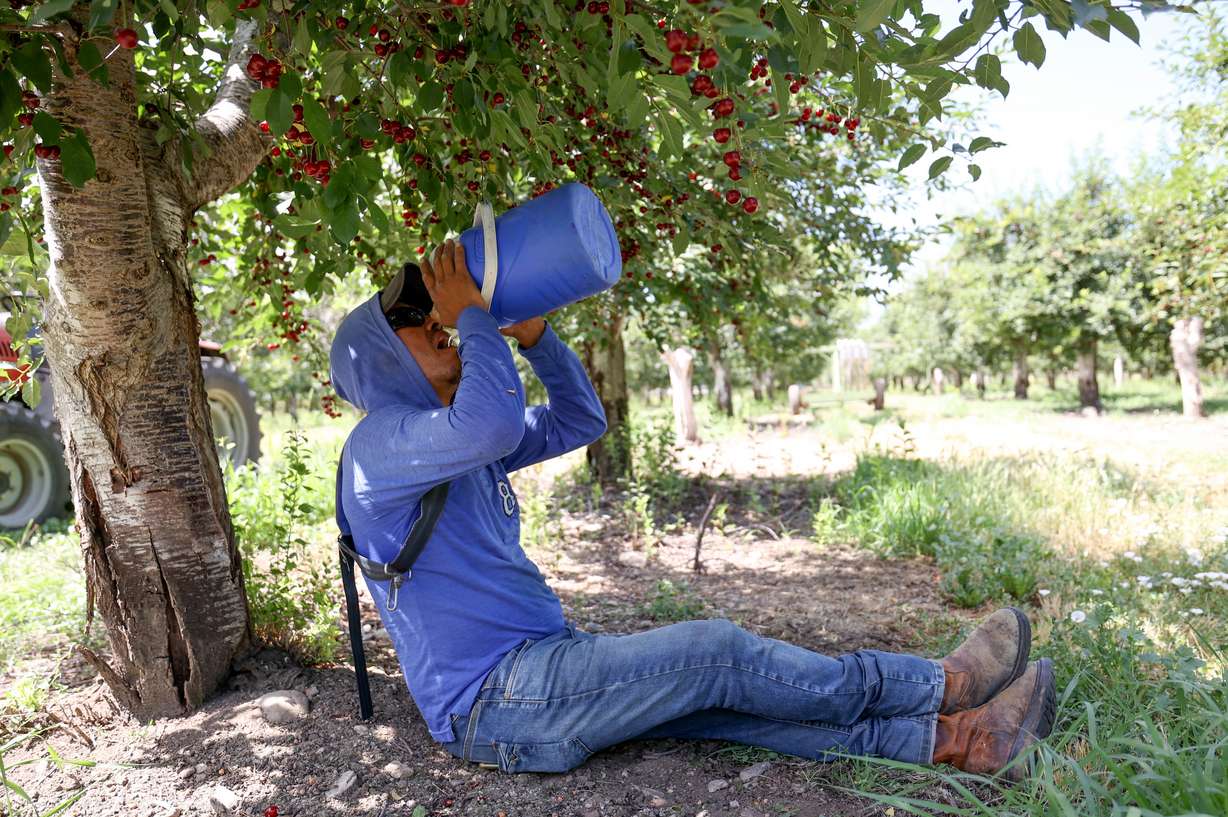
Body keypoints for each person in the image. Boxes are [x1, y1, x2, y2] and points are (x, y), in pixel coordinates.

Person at [328, 241, 1057, 782]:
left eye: (441, 323)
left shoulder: (447, 440)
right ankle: (941, 684)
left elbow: (581, 421)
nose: (443, 329)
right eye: (422, 330)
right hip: (498, 700)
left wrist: (539, 339)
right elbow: (490, 423)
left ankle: (965, 742)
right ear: (381, 363)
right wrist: (480, 320)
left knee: (733, 700)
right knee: (718, 651)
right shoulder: (379, 448)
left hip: (540, 670)